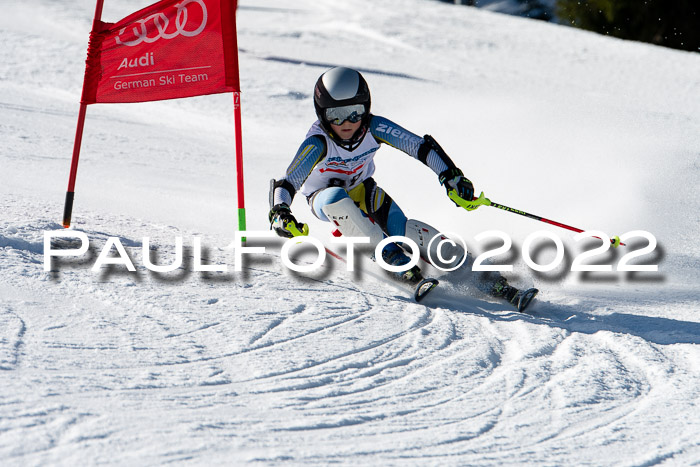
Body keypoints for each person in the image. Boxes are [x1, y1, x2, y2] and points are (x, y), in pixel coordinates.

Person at [269, 66, 533, 307]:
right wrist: (280, 212)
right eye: (336, 116)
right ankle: (397, 262)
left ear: (366, 108)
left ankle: (488, 279)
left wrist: (450, 178)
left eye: (355, 112)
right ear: (322, 115)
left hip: (363, 190)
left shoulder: (374, 127)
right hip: (323, 199)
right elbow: (288, 181)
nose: (346, 123)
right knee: (337, 198)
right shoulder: (318, 142)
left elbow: (420, 147)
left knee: (410, 230)